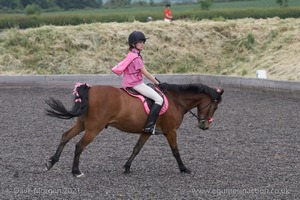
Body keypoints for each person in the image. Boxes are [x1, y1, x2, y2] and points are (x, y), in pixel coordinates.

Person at [113, 31, 163, 134]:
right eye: (140, 42)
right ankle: (149, 126)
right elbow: (146, 74)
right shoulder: (136, 58)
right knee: (159, 99)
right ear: (133, 44)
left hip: (127, 83)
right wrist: (158, 83)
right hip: (136, 84)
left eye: (143, 42)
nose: (142, 44)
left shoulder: (131, 54)